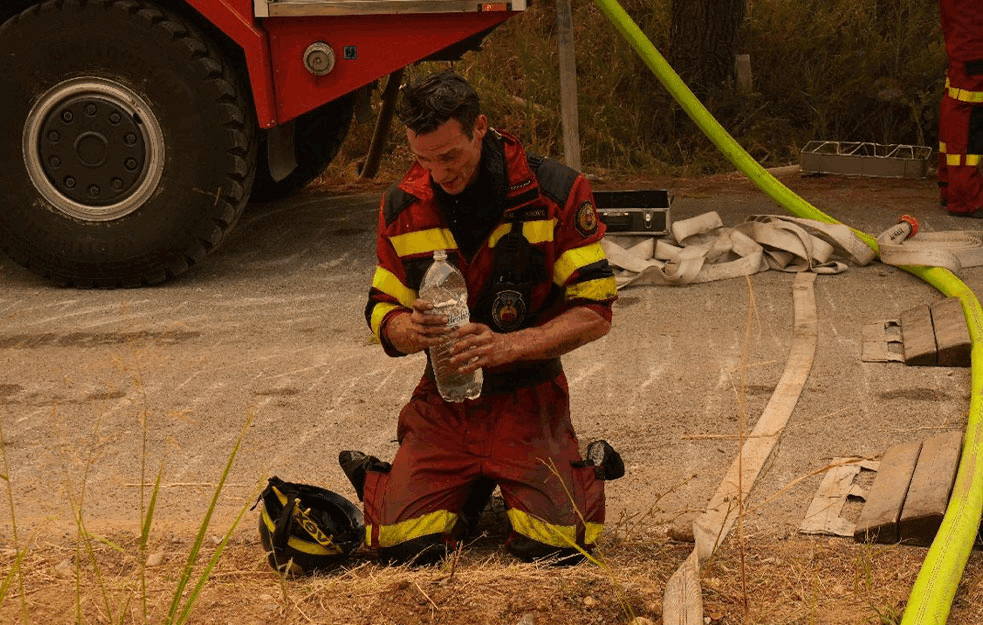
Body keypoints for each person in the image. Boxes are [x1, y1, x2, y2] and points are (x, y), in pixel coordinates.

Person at [348, 70, 622, 565]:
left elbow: (596, 311)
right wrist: (405, 330)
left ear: (480, 127)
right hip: (444, 402)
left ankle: (577, 468)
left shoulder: (555, 192)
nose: (436, 173)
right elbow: (380, 308)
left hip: (528, 398)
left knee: (555, 547)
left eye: (448, 156)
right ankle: (458, 485)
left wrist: (508, 346)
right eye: (421, 158)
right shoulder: (402, 204)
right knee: (401, 546)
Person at [937, 0, 983, 216]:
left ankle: (952, 184)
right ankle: (965, 196)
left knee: (958, 94)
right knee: (969, 102)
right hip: (973, 21)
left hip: (967, 20)